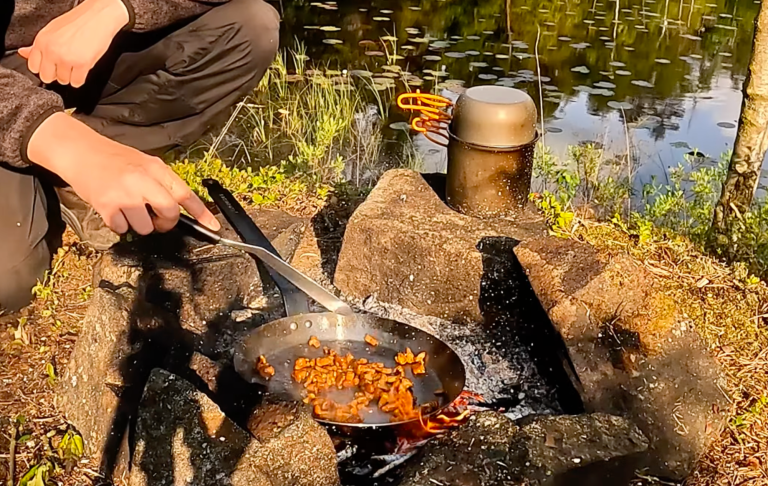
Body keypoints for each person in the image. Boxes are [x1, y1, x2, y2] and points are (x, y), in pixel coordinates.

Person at [0, 0, 280, 311]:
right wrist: (59, 141)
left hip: (96, 47)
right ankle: (57, 166)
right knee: (8, 282)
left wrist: (119, 7)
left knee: (251, 28)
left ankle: (71, 183)